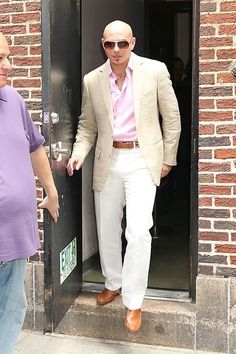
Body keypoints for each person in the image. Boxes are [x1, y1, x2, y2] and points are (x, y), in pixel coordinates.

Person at [67, 20, 181, 333]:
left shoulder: (154, 70)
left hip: (143, 159)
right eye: (109, 44)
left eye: (122, 44)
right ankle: (113, 282)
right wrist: (78, 154)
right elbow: (87, 126)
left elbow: (171, 117)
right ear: (102, 44)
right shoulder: (93, 80)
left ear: (133, 42)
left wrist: (168, 158)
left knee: (139, 231)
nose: (116, 50)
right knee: (106, 226)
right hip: (108, 159)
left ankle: (133, 301)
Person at [0, 33, 59, 354]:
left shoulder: (13, 100)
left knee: (11, 309)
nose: (8, 65)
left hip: (14, 234)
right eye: (0, 59)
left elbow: (35, 148)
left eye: (8, 57)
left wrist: (51, 191)